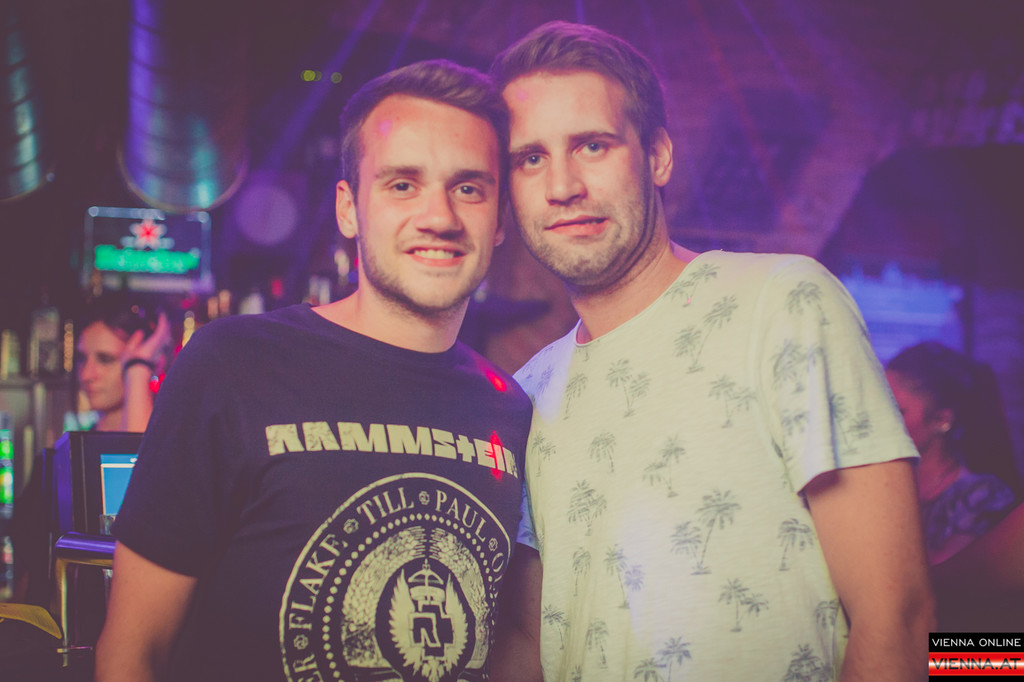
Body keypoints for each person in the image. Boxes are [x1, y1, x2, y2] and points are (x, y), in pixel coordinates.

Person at [488, 21, 935, 681]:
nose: (562, 185)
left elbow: (896, 616)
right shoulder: (526, 392)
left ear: (658, 156)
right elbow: (532, 640)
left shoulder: (783, 305)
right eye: (530, 158)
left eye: (593, 145)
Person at [94, 59, 532, 682]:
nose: (439, 216)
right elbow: (134, 651)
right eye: (402, 184)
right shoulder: (232, 366)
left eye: (469, 188)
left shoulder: (511, 410)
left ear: (500, 220)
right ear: (349, 209)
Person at [886, 341, 1020, 565]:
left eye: (898, 411)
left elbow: (938, 578)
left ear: (942, 419)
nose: (883, 422)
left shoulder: (981, 496)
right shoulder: (885, 485)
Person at [74, 296, 172, 432]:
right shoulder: (80, 442)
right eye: (82, 359)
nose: (85, 375)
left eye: (106, 360)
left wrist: (137, 366)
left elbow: (138, 445)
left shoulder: (173, 438)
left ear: (156, 364)